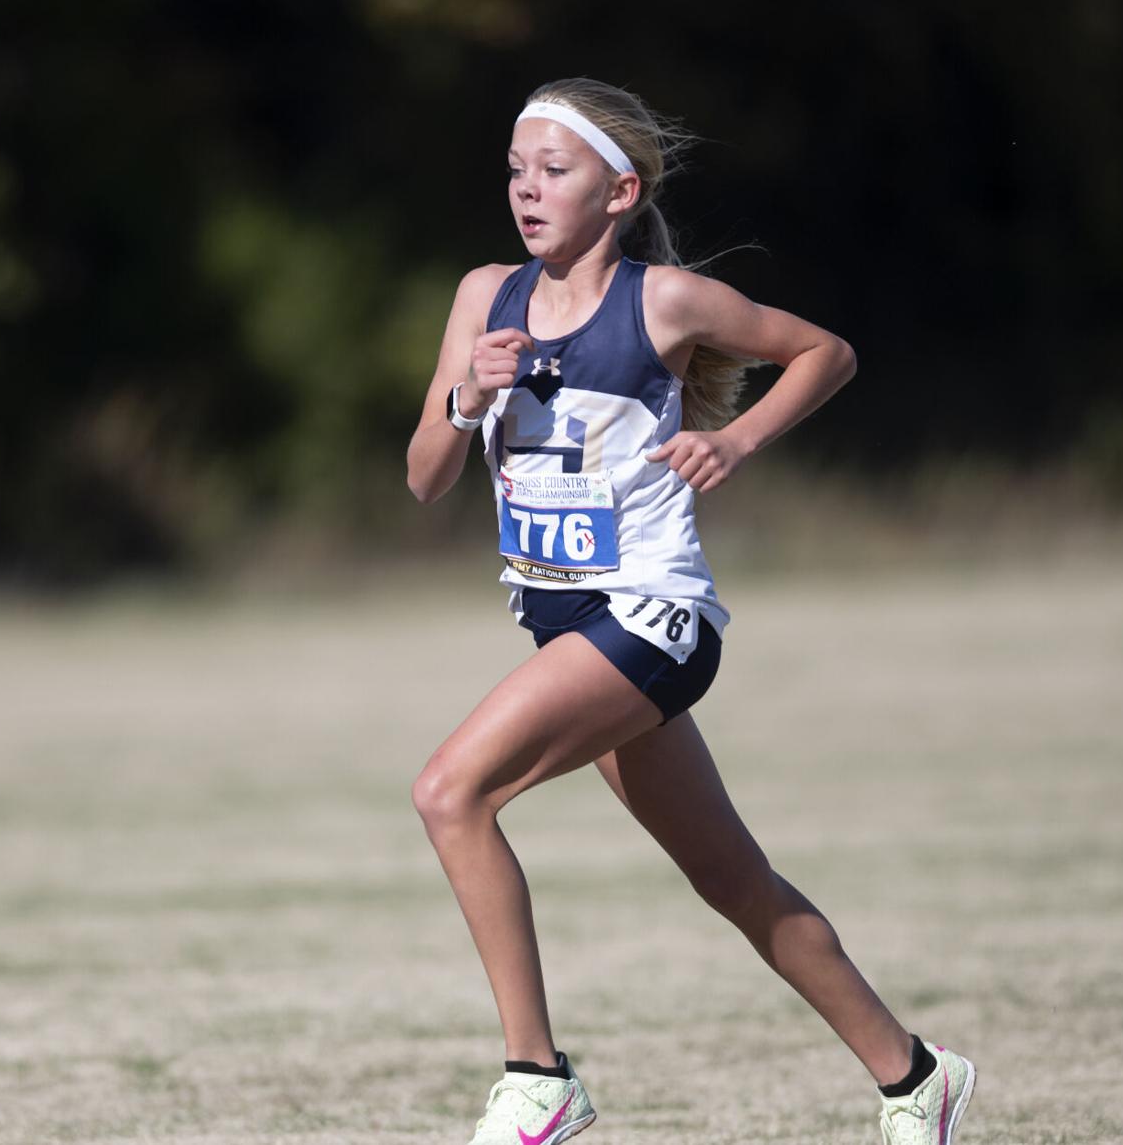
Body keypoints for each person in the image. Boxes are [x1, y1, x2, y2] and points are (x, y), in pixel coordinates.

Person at [405, 78, 974, 1145]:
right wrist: (464, 398)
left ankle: (539, 1077)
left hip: (653, 616)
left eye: (554, 171)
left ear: (619, 191)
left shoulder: (664, 300)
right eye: (516, 171)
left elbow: (825, 351)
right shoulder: (485, 295)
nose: (528, 190)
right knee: (732, 879)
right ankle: (916, 1076)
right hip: (568, 628)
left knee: (450, 792)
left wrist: (738, 439)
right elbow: (426, 476)